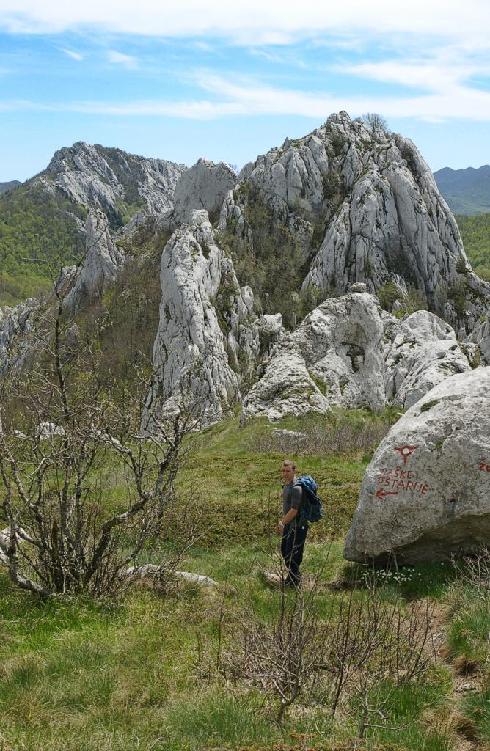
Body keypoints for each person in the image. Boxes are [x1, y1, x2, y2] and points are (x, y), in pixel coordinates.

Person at [277, 459, 308, 587]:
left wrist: (282, 522)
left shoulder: (297, 488)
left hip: (298, 526)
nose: (285, 473)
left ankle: (294, 581)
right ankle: (293, 577)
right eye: (283, 471)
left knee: (293, 554)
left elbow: (294, 510)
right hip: (289, 525)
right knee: (285, 551)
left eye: (288, 471)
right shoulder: (287, 485)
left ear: (294, 470)